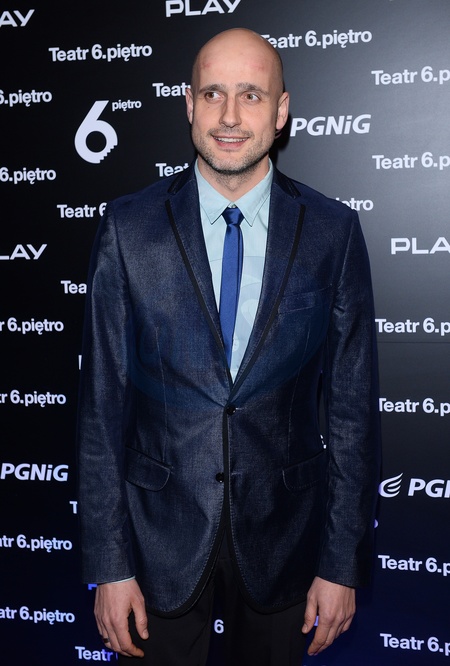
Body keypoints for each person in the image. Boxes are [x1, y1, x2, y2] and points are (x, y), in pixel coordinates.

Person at [77, 28, 380, 666]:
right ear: (189, 105)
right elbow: (101, 408)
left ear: (281, 110)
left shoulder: (333, 232)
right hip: (156, 538)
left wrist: (341, 563)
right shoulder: (128, 228)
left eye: (251, 94)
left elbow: (352, 414)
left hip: (286, 537)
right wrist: (108, 564)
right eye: (213, 94)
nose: (231, 117)